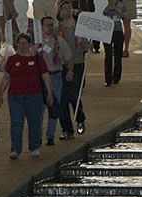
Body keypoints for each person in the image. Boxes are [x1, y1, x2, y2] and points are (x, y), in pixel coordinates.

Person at [0, 32, 54, 159]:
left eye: (25, 43)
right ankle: (15, 149)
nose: (22, 46)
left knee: (34, 122)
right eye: (20, 43)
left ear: (30, 45)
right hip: (15, 96)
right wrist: (0, 92)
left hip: (34, 95)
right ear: (16, 45)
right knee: (16, 123)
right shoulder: (12, 60)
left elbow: (45, 77)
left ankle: (34, 147)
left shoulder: (38, 60)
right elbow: (6, 78)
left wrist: (49, 93)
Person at [39, 15, 74, 144]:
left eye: (51, 25)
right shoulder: (37, 43)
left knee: (54, 106)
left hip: (55, 76)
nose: (49, 28)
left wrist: (70, 71)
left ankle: (50, 135)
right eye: (47, 25)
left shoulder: (59, 41)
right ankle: (38, 135)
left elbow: (69, 58)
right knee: (39, 108)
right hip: (41, 78)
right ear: (41, 27)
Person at [57, 0, 89, 136]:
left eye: (68, 7)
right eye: (63, 8)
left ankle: (79, 118)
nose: (66, 10)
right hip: (62, 65)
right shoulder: (57, 30)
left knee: (74, 95)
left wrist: (88, 46)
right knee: (62, 98)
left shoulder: (79, 28)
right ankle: (66, 128)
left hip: (77, 63)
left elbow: (85, 44)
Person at [103, 0, 128, 86]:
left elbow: (125, 17)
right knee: (108, 55)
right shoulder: (104, 4)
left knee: (118, 55)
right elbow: (100, 14)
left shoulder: (121, 4)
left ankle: (116, 77)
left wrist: (118, 10)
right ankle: (108, 79)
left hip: (118, 31)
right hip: (106, 31)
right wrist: (107, 9)